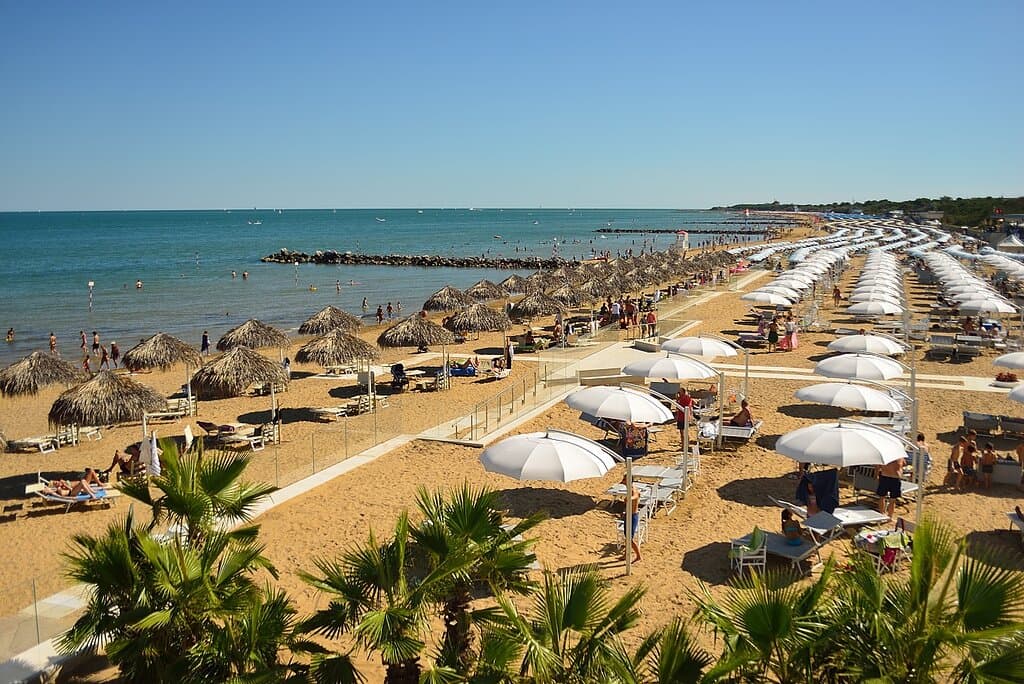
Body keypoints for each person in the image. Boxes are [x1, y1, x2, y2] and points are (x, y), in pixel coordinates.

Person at [876, 453, 905, 519]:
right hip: (895, 478)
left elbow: (878, 466)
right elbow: (903, 464)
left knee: (882, 497)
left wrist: (877, 474)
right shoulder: (899, 456)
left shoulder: (884, 455)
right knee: (892, 500)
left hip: (885, 476)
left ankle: (882, 515)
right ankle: (889, 517)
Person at [621, 475, 642, 563]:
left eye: (624, 479)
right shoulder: (630, 487)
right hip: (629, 515)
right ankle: (626, 554)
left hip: (632, 516)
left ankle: (639, 556)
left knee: (630, 538)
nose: (623, 481)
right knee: (627, 536)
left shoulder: (632, 489)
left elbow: (636, 495)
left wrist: (629, 498)